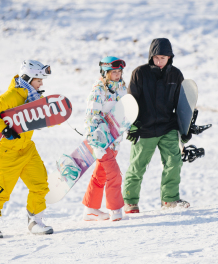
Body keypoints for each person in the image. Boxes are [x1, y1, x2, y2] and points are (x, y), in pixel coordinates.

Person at [0, 60, 54, 239]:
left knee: (40, 184)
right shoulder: (12, 96)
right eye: (39, 80)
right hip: (7, 151)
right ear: (28, 79)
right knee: (2, 190)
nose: (41, 83)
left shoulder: (34, 96)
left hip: (27, 148)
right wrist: (4, 129)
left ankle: (35, 221)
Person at [122, 38, 191, 213]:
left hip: (168, 126)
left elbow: (180, 104)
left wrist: (185, 129)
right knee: (137, 166)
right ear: (151, 56)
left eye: (163, 58)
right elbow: (132, 100)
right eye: (156, 57)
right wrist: (132, 125)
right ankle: (130, 202)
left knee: (173, 162)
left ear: (170, 57)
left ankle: (169, 200)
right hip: (144, 128)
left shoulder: (176, 75)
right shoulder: (140, 73)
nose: (159, 61)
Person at [81, 56, 128, 222]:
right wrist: (96, 144)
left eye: (119, 71)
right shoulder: (98, 90)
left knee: (101, 173)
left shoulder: (122, 88)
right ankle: (115, 210)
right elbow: (91, 117)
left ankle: (90, 210)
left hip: (115, 140)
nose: (117, 74)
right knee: (114, 174)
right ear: (105, 72)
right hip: (101, 140)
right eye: (113, 72)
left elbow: (124, 113)